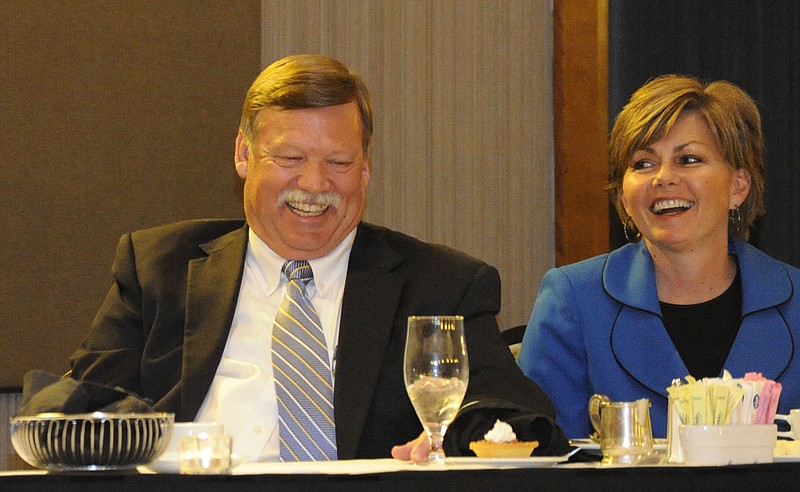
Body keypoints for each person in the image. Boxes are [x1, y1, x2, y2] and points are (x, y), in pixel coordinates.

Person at [67, 54, 568, 462]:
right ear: (244, 154)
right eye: (289, 159)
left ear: (366, 169)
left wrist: (456, 441)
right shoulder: (159, 268)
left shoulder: (440, 283)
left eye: (339, 162)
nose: (315, 184)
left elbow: (513, 411)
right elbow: (81, 413)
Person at [518, 74, 800, 439]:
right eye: (643, 164)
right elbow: (539, 457)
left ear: (738, 186)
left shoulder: (795, 304)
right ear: (623, 196)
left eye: (688, 159)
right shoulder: (573, 300)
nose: (664, 178)